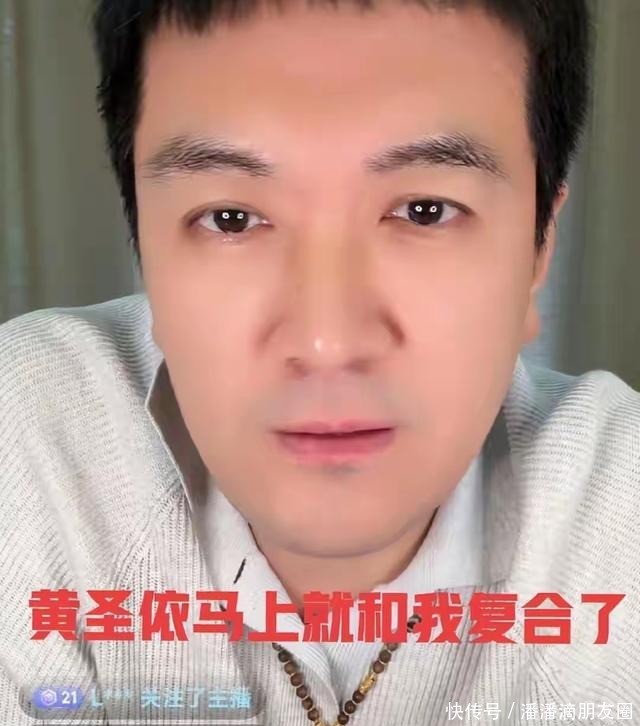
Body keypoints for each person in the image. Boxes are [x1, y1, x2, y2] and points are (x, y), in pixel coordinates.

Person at [1, 0, 638, 723]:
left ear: (538, 248)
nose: (327, 343)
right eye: (232, 218)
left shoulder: (621, 513)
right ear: (146, 251)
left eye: (425, 210)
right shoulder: (30, 439)